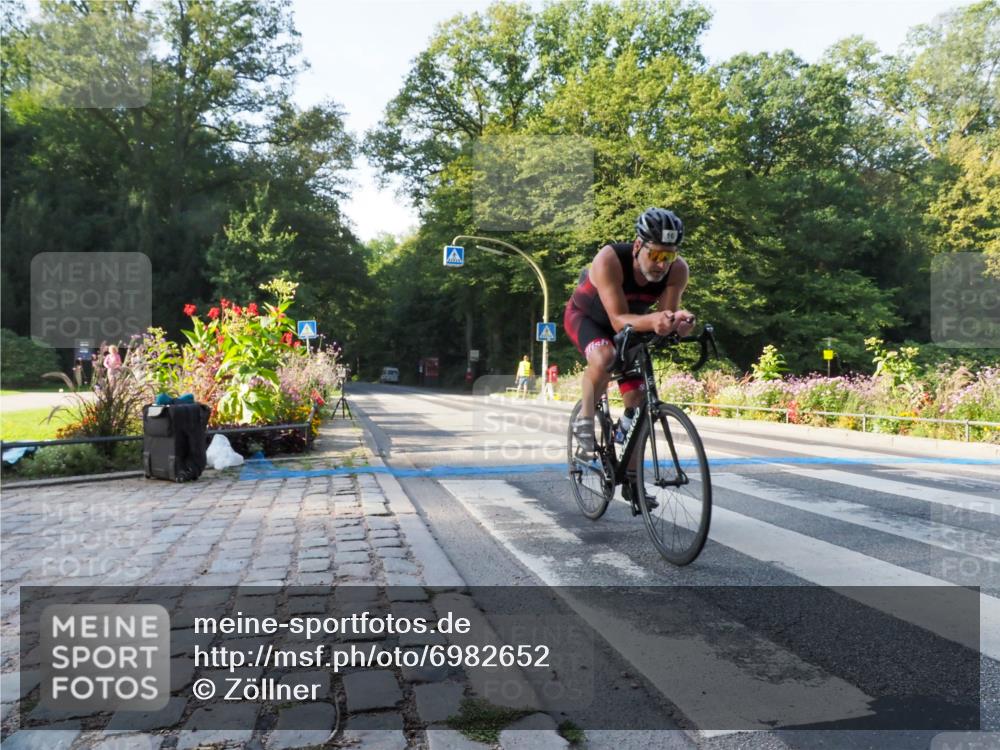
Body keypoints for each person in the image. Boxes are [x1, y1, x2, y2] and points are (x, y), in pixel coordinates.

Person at [563, 207, 696, 508]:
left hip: (632, 326)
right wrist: (657, 320)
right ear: (638, 246)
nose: (662, 264)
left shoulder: (678, 270)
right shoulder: (609, 259)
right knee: (604, 356)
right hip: (589, 319)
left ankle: (633, 482)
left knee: (637, 402)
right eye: (656, 254)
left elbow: (665, 317)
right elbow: (617, 320)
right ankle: (585, 422)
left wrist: (679, 324)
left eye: (669, 256)